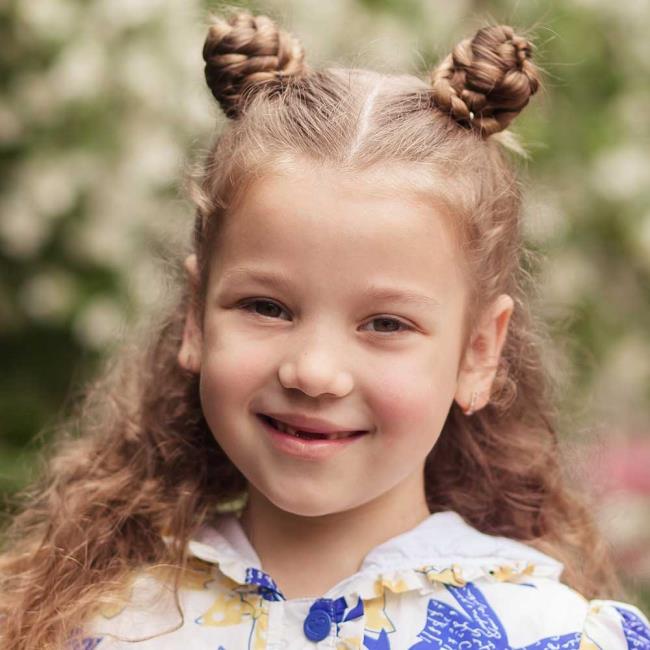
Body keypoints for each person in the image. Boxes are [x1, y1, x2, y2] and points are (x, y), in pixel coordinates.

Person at [1, 10, 649, 650]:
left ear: (479, 351)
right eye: (266, 307)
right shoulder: (86, 623)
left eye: (386, 323)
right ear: (196, 315)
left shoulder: (550, 634)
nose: (312, 370)